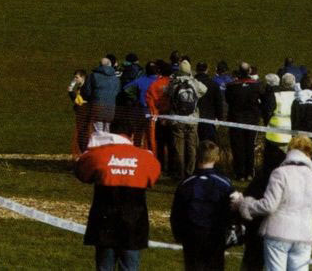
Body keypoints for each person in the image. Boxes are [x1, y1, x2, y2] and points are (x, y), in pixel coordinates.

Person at [75, 122, 161, 271]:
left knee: (104, 267)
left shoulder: (99, 155)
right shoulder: (146, 158)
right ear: (132, 136)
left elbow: (81, 172)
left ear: (110, 134)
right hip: (133, 223)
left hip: (104, 222)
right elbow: (153, 177)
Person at [239, 135, 312, 271]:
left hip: (277, 234)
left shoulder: (280, 173)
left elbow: (269, 206)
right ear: (310, 154)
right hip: (304, 236)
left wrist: (247, 205)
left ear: (289, 150)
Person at [170, 140, 235, 271]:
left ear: (196, 156)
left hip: (192, 236)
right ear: (217, 158)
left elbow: (176, 214)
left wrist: (178, 235)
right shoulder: (225, 184)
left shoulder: (186, 184)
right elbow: (231, 211)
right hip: (215, 235)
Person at [166, 60, 208, 180]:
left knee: (179, 148)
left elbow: (167, 92)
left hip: (177, 119)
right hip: (192, 119)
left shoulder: (174, 83)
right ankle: (190, 172)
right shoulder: (194, 83)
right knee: (191, 147)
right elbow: (204, 89)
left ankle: (180, 173)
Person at [226, 63, 262, 181]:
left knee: (238, 147)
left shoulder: (232, 86)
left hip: (236, 120)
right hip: (251, 120)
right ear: (250, 71)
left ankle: (240, 173)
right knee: (250, 146)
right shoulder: (256, 85)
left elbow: (228, 100)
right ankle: (249, 173)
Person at [81, 57, 120, 136]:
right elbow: (117, 92)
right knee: (107, 132)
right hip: (111, 108)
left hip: (97, 107)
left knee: (97, 133)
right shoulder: (116, 78)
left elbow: (87, 92)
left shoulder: (93, 76)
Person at [194, 62, 224, 143]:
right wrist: (220, 118)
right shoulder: (214, 84)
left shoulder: (192, 83)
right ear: (207, 70)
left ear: (196, 70)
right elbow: (218, 103)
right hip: (209, 120)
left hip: (194, 119)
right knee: (209, 146)